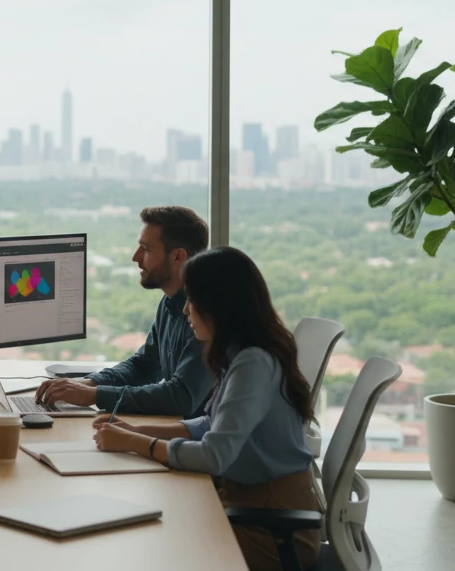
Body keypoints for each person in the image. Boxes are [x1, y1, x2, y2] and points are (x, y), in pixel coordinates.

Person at [92, 247, 320, 571]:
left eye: (192, 300)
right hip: (245, 502)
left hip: (273, 526)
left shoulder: (253, 362)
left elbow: (214, 455)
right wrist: (135, 431)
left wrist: (135, 444)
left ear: (218, 306)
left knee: (151, 549)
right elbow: (208, 424)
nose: (186, 310)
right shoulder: (241, 352)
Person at [35, 206, 211, 416]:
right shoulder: (169, 304)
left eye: (146, 249)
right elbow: (144, 366)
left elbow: (181, 397)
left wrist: (95, 395)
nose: (135, 257)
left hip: (200, 444)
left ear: (177, 257)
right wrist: (89, 383)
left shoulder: (206, 316)